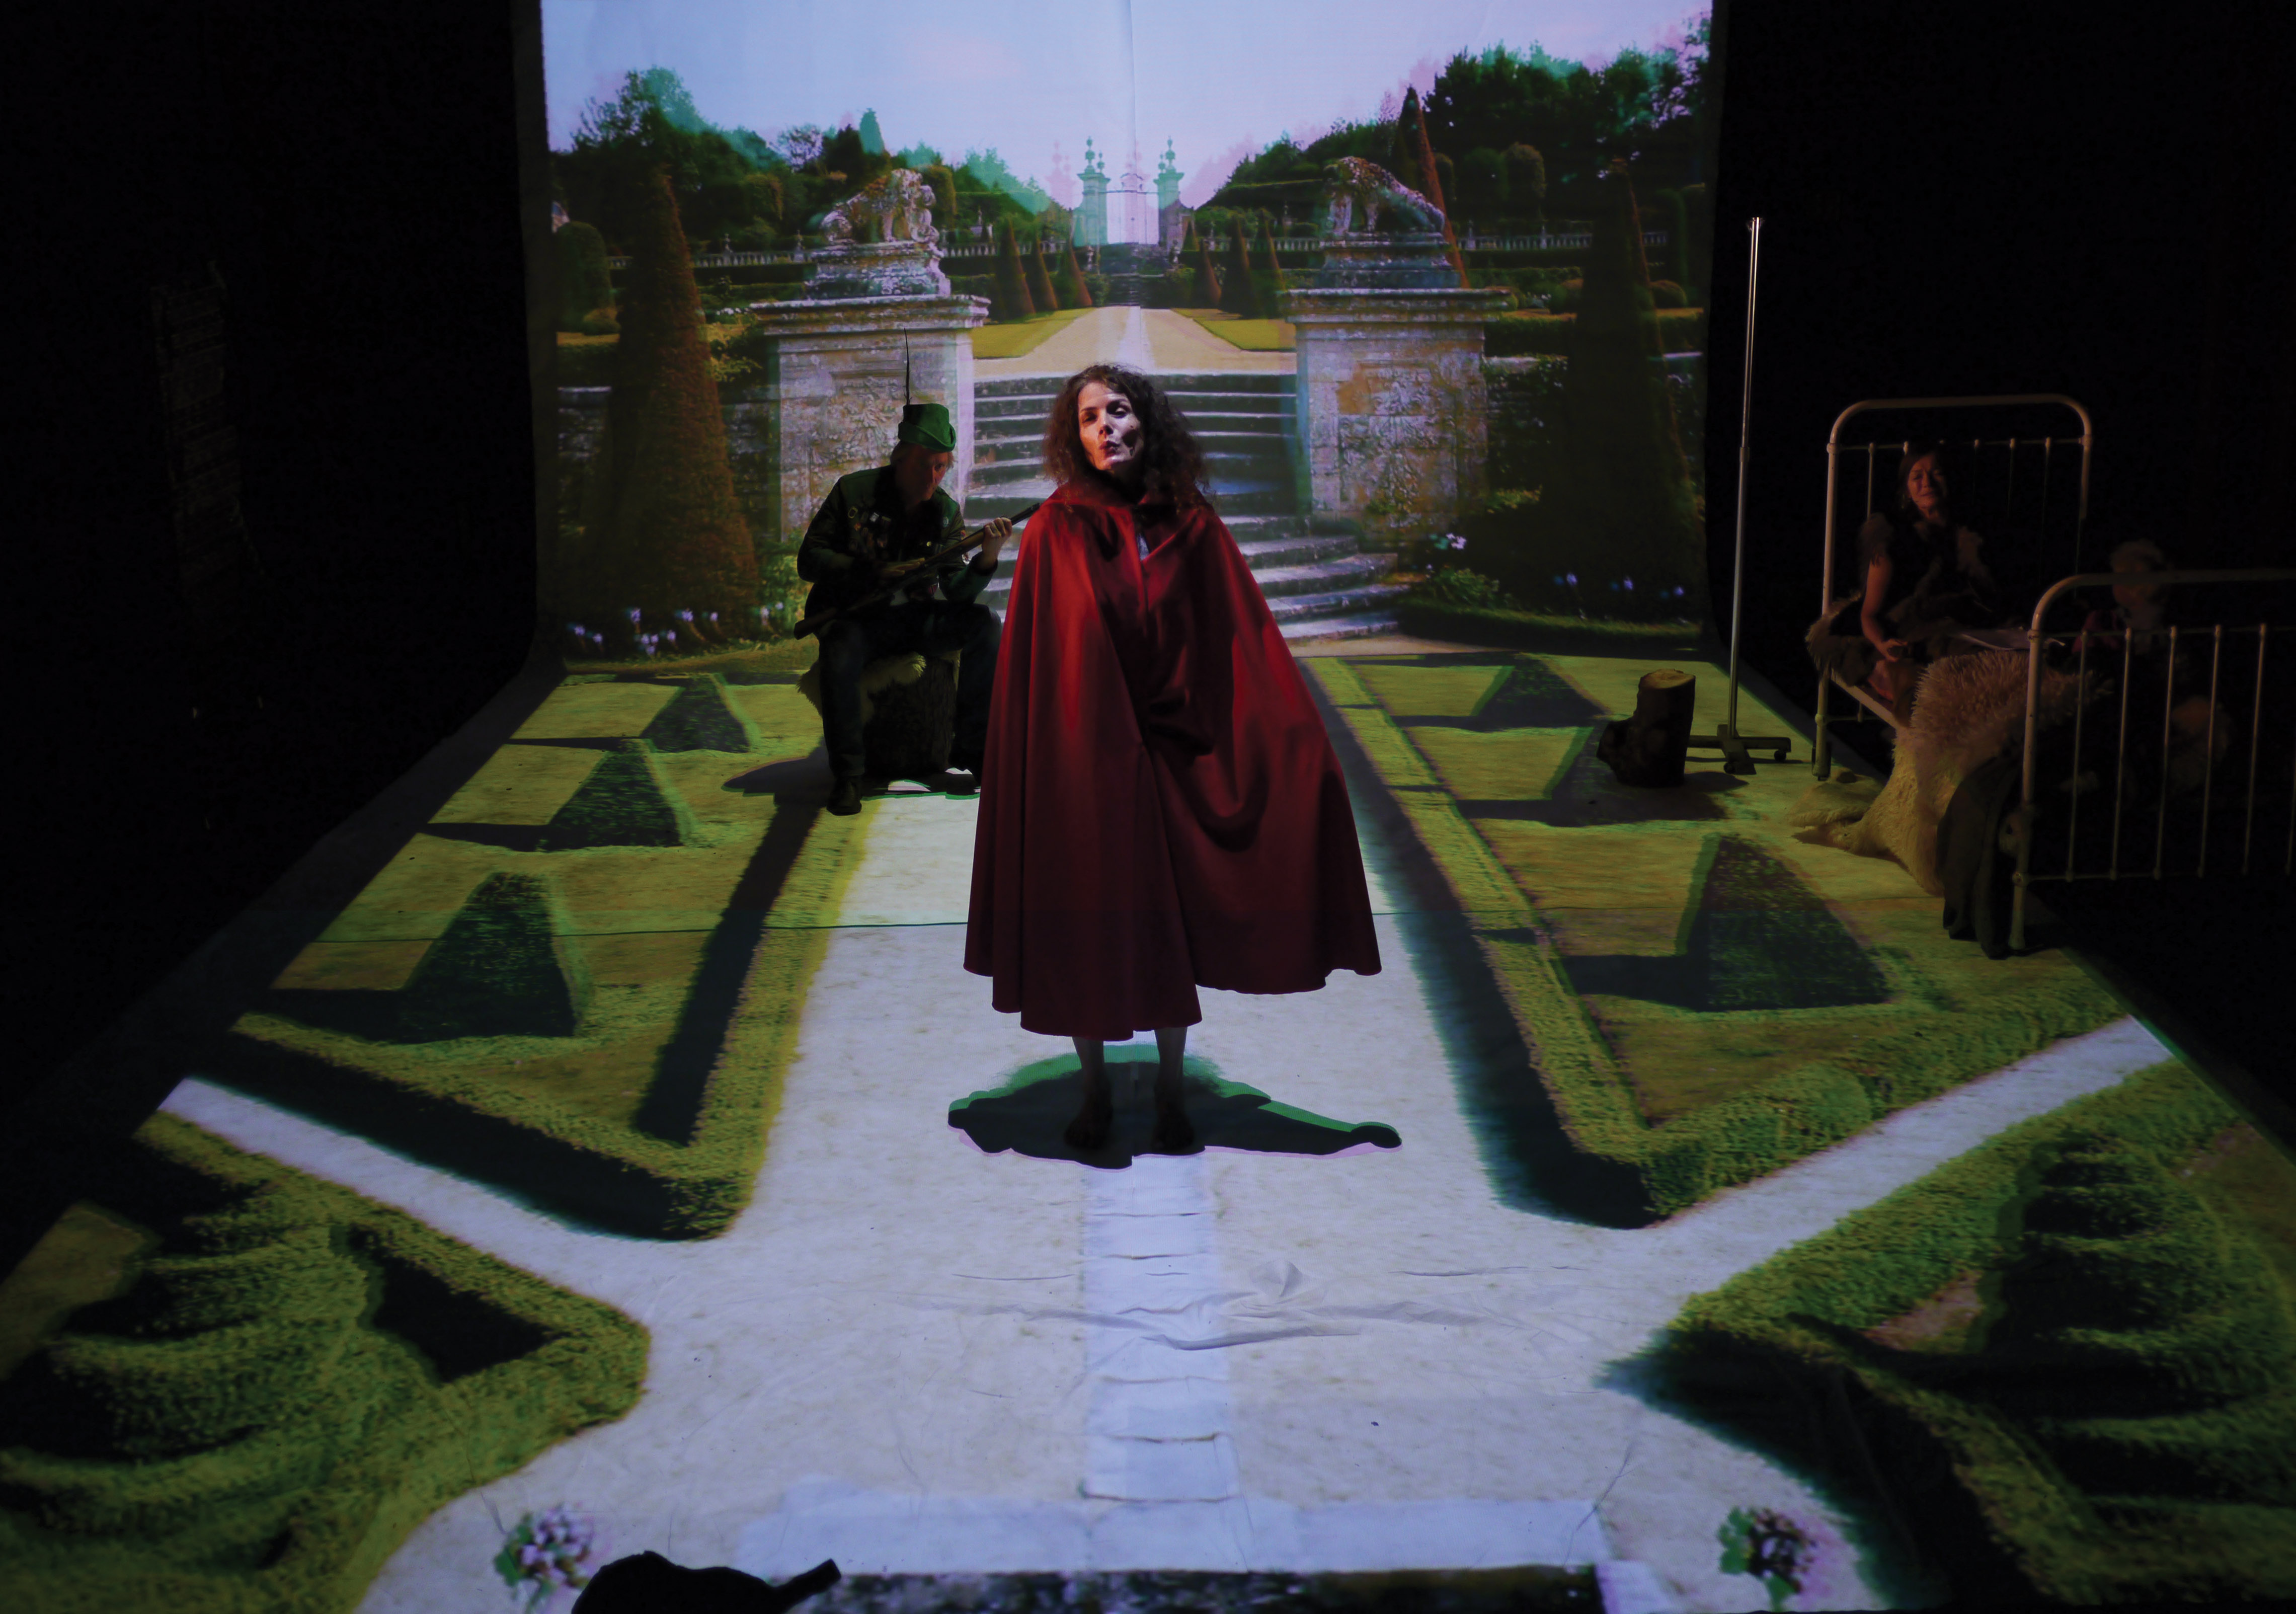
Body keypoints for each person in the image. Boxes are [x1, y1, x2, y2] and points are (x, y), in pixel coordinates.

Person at [964, 364, 1382, 1155]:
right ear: (1074, 437)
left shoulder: (1191, 523)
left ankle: (1167, 1088)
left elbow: (1238, 640)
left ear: (1145, 422)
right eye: (1088, 417)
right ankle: (1092, 1089)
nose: (1105, 427)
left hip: (1171, 747)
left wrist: (1285, 743)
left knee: (1165, 925)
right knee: (1087, 922)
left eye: (1118, 411)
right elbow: (1050, 661)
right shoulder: (1055, 529)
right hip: (1087, 760)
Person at [797, 403, 1012, 816]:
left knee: (984, 624)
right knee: (839, 650)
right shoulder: (852, 492)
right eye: (922, 466)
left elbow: (957, 591)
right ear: (899, 459)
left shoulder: (945, 512)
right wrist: (871, 571)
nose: (931, 478)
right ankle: (849, 774)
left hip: (914, 620)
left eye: (940, 467)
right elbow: (810, 559)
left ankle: (972, 751)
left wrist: (987, 557)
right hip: (857, 619)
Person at [1810, 443, 2004, 719]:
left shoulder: (1970, 533)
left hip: (1958, 621)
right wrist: (1882, 644)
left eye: (1937, 473)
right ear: (1907, 489)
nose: (1928, 483)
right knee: (1929, 674)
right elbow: (1869, 614)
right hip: (1905, 624)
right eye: (1917, 477)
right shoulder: (1892, 540)